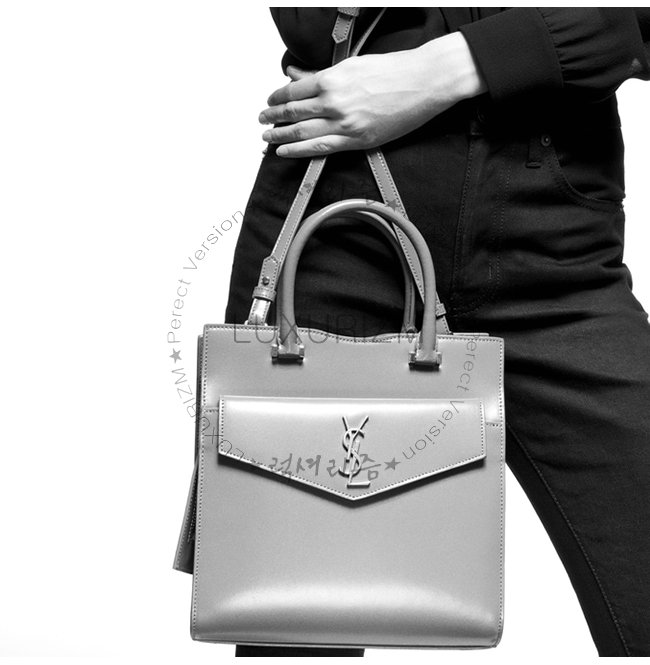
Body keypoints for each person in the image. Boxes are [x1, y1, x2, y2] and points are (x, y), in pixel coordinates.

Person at [224, 8, 650, 657]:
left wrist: (440, 70)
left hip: (556, 249)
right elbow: (313, 20)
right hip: (341, 229)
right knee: (300, 613)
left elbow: (626, 29)